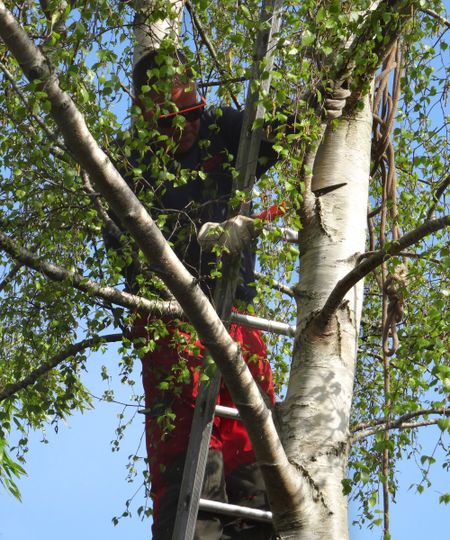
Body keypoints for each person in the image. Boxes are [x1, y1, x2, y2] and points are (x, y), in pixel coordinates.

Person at [108, 49, 348, 539]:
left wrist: (321, 101)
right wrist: (197, 238)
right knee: (189, 460)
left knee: (253, 443)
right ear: (146, 115)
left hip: (234, 311)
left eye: (192, 112)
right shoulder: (126, 163)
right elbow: (124, 248)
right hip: (169, 321)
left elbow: (277, 133)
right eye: (174, 119)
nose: (189, 126)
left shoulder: (219, 127)